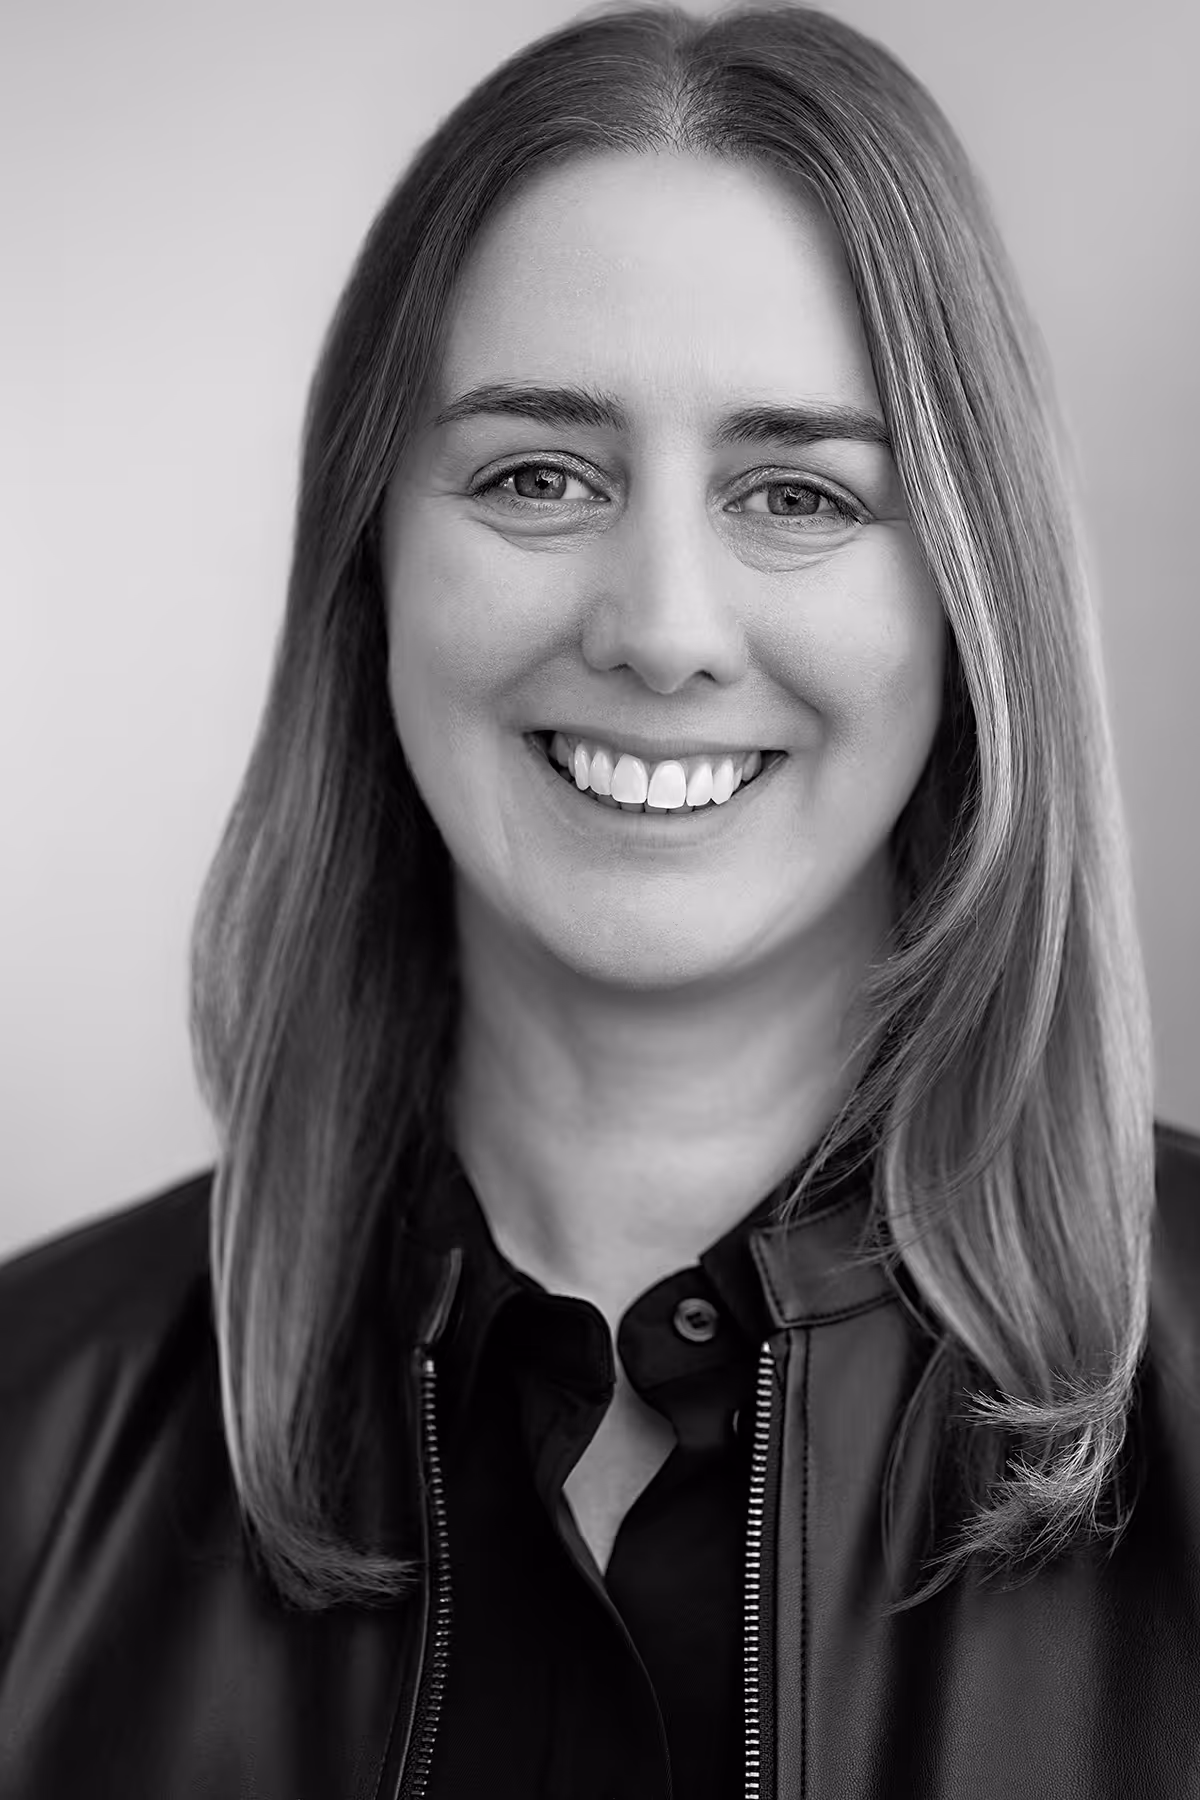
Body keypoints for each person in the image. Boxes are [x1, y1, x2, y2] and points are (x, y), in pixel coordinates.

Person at [2, 3, 1197, 1795]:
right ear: (369, 565)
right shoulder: (25, 1434)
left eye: (797, 492)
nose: (663, 630)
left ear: (973, 605)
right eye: (537, 477)